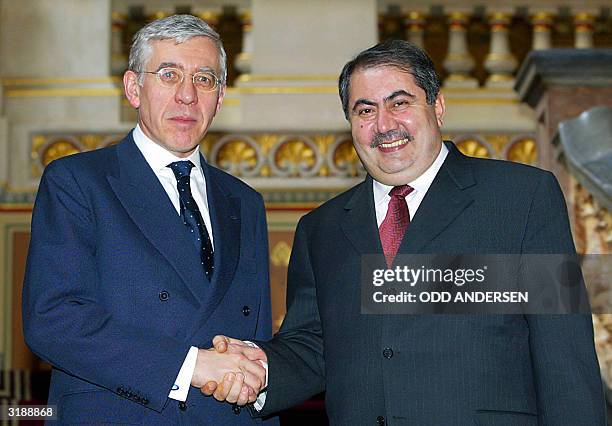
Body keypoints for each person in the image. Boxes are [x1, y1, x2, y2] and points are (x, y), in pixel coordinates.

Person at [204, 40, 606, 425]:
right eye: (365, 110)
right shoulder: (321, 230)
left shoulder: (521, 198)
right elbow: (313, 346)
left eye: (399, 103)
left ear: (438, 106)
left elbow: (564, 359)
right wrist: (259, 368)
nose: (384, 124)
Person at [22, 14, 274, 425]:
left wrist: (258, 380)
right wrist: (191, 366)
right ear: (134, 88)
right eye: (169, 75)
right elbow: (53, 318)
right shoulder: (77, 182)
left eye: (204, 79)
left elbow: (255, 337)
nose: (187, 96)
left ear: (221, 96)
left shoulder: (245, 202)